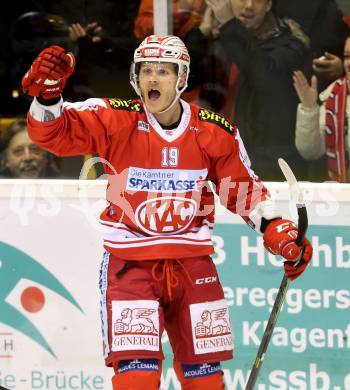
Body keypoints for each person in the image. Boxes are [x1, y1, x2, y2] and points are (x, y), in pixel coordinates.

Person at [21, 36, 313, 389]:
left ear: (181, 78)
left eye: (163, 70)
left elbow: (243, 193)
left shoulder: (214, 132)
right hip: (132, 268)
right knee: (137, 380)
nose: (152, 79)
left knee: (204, 382)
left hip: (193, 269)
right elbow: (53, 134)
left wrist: (277, 231)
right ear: (135, 76)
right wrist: (48, 94)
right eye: (145, 70)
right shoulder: (114, 118)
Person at [204, 0, 311, 181]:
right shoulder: (218, 38)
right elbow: (187, 82)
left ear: (269, 5)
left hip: (270, 165)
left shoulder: (290, 43)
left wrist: (229, 25)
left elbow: (265, 78)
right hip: (218, 153)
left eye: (258, 0)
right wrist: (201, 31)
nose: (249, 5)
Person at [293, 34, 350, 183]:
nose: (349, 63)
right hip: (343, 194)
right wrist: (309, 109)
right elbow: (311, 152)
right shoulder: (334, 95)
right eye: (347, 57)